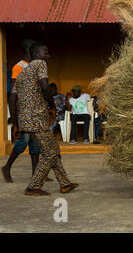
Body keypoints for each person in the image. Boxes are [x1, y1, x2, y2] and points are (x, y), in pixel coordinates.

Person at [10, 42, 78, 196]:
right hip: (37, 118)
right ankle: (33, 186)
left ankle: (65, 183)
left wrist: (16, 124)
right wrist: (52, 107)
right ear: (36, 55)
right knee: (50, 153)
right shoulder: (40, 64)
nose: (48, 56)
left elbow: (12, 99)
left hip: (26, 119)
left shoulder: (22, 73)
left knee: (52, 149)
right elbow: (46, 87)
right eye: (45, 53)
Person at [1, 39, 48, 183]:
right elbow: (13, 95)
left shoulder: (37, 64)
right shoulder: (19, 67)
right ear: (30, 50)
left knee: (35, 143)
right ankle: (7, 167)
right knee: (24, 139)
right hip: (24, 110)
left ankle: (36, 173)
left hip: (36, 110)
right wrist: (15, 121)